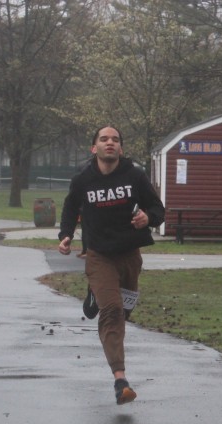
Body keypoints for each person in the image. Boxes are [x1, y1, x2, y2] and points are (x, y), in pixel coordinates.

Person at [58, 126, 165, 405]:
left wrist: (148, 218)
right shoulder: (83, 180)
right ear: (94, 148)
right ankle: (121, 380)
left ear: (121, 148)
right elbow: (70, 209)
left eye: (115, 140)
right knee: (113, 311)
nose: (110, 143)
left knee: (124, 311)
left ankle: (96, 293)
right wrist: (66, 235)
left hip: (129, 256)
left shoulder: (135, 176)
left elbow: (158, 209)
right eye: (104, 139)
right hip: (99, 256)